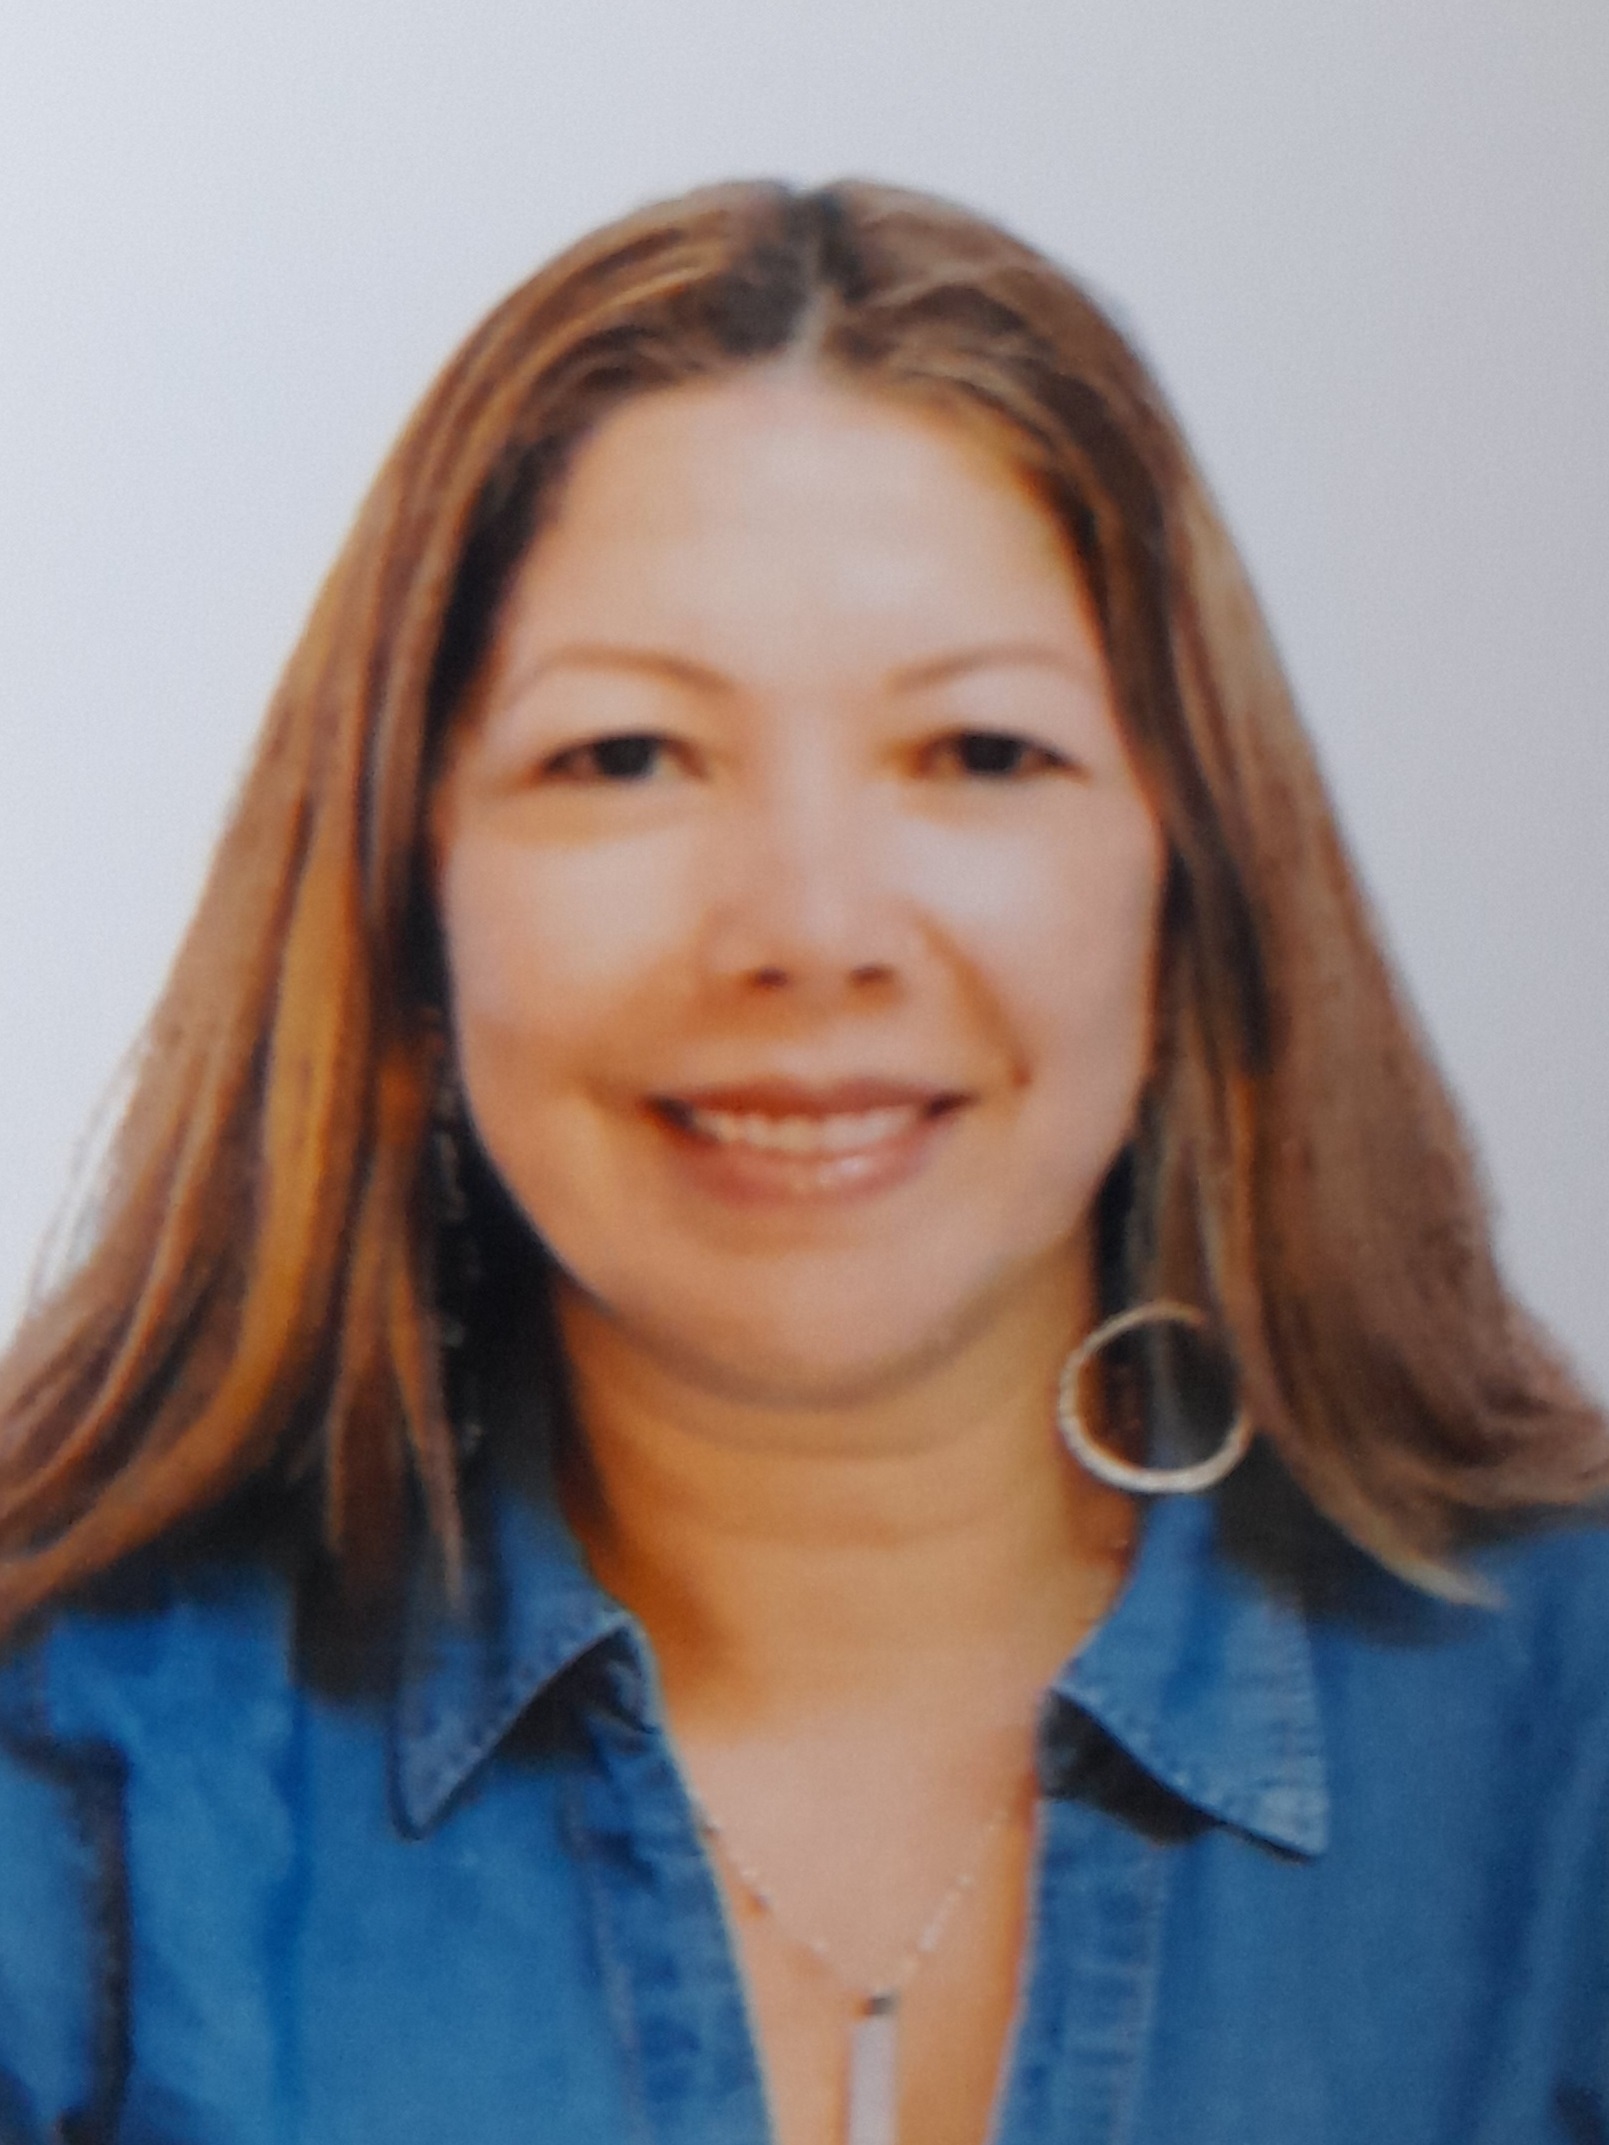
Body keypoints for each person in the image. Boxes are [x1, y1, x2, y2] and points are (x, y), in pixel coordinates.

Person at [0, 179, 1605, 2145]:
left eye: (979, 752)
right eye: (626, 755)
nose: (811, 924)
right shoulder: (71, 1773)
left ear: (1187, 880)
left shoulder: (1570, 1754)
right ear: (408, 900)